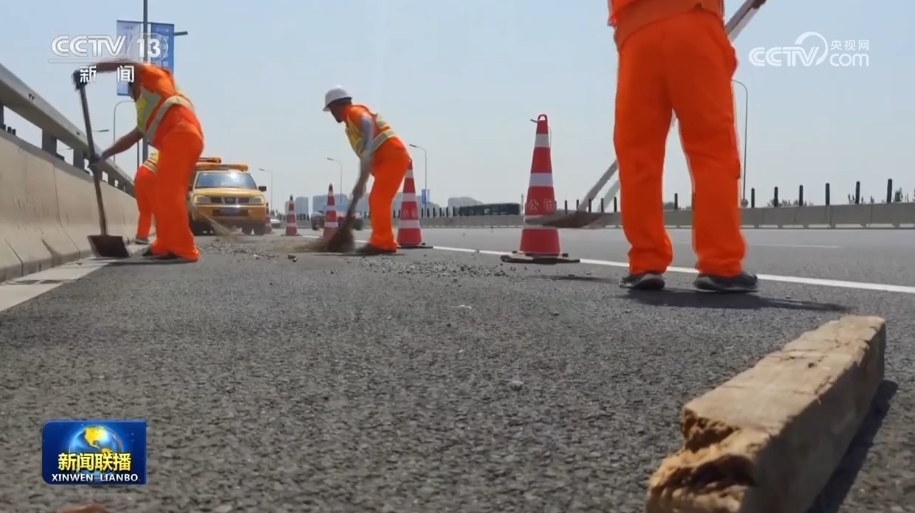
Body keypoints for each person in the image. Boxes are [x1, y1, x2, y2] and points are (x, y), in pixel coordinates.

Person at [608, 0, 759, 292]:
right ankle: (720, 265)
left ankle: (645, 262)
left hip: (636, 34)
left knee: (637, 156)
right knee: (712, 150)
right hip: (692, 19)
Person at [73, 61, 204, 262]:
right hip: (175, 141)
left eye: (132, 93)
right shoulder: (147, 113)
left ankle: (184, 249)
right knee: (161, 196)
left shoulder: (153, 76)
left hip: (181, 134)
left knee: (170, 193)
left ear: (135, 84)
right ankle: (165, 244)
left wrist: (90, 71)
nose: (134, 98)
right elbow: (131, 138)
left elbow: (124, 62)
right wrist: (104, 156)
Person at [323, 86, 411, 254]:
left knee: (378, 199)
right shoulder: (349, 126)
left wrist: (369, 147)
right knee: (378, 199)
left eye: (331, 109)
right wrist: (361, 183)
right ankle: (384, 241)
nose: (332, 114)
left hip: (392, 156)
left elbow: (367, 121)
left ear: (335, 106)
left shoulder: (352, 111)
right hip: (386, 161)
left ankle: (382, 242)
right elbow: (365, 157)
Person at [134, 152, 158, 247]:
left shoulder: (160, 152)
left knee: (145, 211)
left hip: (139, 175)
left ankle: (141, 236)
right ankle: (163, 238)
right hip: (151, 176)